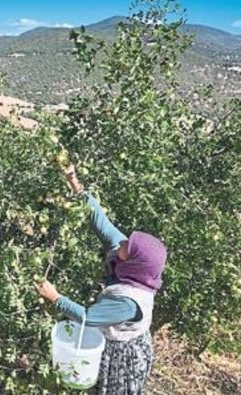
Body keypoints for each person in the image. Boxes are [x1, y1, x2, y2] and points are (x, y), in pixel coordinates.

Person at [36, 165, 167, 395]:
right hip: (115, 337)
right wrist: (74, 182)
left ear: (137, 261)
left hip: (123, 354)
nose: (123, 243)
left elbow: (87, 317)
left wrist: (55, 298)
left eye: (129, 246)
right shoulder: (131, 262)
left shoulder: (128, 302)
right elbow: (101, 222)